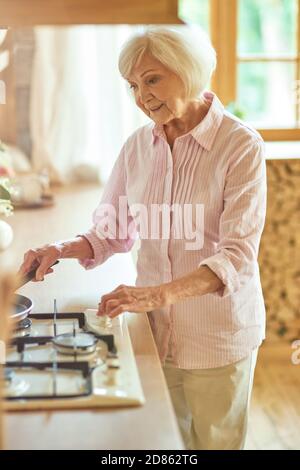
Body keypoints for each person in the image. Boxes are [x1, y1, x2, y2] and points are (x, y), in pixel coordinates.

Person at [19, 27, 267, 450]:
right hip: (154, 336)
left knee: (214, 445)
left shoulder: (240, 146)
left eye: (152, 79)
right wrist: (60, 249)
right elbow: (111, 230)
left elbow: (237, 257)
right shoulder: (137, 146)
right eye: (133, 85)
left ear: (187, 71)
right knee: (164, 446)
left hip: (217, 337)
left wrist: (154, 295)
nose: (141, 96)